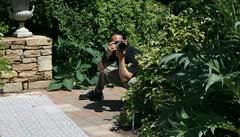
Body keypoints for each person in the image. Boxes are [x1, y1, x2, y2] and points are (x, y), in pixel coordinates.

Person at [79, 32, 140, 101]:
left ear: (126, 41)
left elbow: (125, 79)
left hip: (137, 80)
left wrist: (121, 58)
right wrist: (108, 54)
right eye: (114, 43)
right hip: (124, 76)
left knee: (130, 82)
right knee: (105, 71)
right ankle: (97, 93)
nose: (118, 45)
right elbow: (99, 68)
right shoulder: (114, 51)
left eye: (120, 42)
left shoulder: (134, 53)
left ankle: (138, 102)